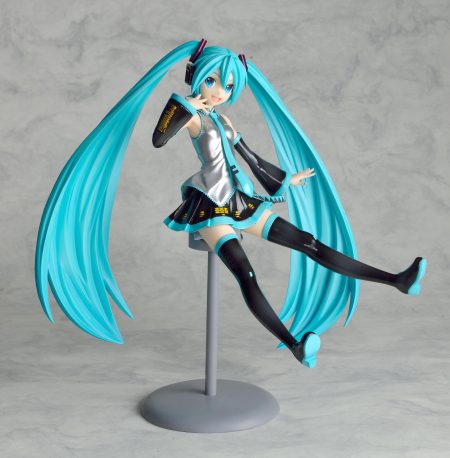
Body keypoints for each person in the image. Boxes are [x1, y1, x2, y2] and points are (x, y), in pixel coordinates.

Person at [35, 39, 427, 369]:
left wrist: (285, 180)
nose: (218, 90)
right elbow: (158, 138)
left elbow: (251, 160)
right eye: (212, 80)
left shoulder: (223, 121)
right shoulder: (192, 117)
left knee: (308, 242)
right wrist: (182, 102)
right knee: (247, 274)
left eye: (227, 85)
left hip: (240, 201)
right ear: (196, 76)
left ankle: (397, 280)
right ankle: (295, 345)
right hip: (209, 207)